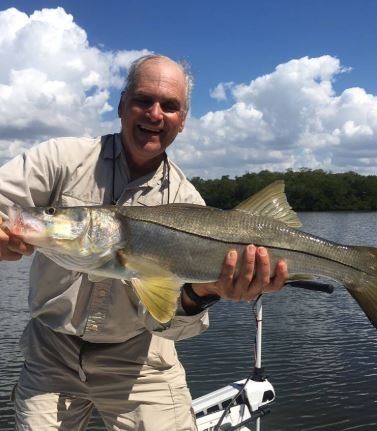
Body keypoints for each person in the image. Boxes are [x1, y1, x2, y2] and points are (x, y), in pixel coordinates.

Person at [0, 54, 288, 430]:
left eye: (169, 106)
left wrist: (206, 291)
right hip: (49, 352)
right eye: (143, 100)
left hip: (141, 361)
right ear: (122, 106)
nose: (155, 114)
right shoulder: (62, 159)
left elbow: (170, 326)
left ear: (182, 120)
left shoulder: (188, 202)